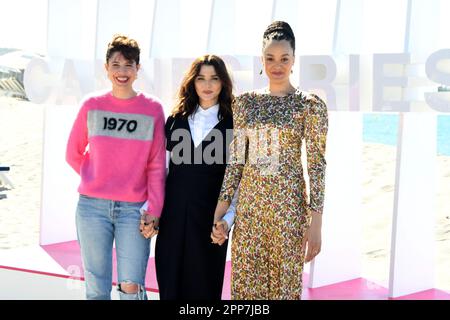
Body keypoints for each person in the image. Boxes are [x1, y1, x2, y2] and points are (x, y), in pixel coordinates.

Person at [211, 21, 329, 300]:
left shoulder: (309, 106)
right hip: (250, 213)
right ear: (261, 60)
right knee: (246, 292)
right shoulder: (246, 103)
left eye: (284, 58)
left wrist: (316, 223)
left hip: (289, 213)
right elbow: (236, 162)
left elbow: (316, 166)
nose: (277, 65)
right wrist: (220, 211)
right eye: (270, 58)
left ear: (294, 60)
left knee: (284, 291)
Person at [66, 34, 166, 300]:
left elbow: (157, 166)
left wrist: (154, 210)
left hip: (134, 211)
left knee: (131, 286)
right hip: (91, 209)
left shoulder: (152, 109)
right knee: (96, 287)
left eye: (129, 65)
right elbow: (73, 153)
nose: (122, 71)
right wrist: (96, 177)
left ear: (138, 69)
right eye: (116, 64)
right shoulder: (92, 105)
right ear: (106, 68)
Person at [153, 54, 236, 300]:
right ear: (192, 82)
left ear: (223, 83)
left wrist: (228, 220)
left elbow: (237, 182)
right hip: (172, 220)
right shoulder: (175, 120)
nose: (207, 85)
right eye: (201, 78)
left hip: (210, 223)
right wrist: (153, 212)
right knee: (170, 287)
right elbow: (160, 173)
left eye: (214, 78)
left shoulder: (234, 125)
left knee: (204, 291)